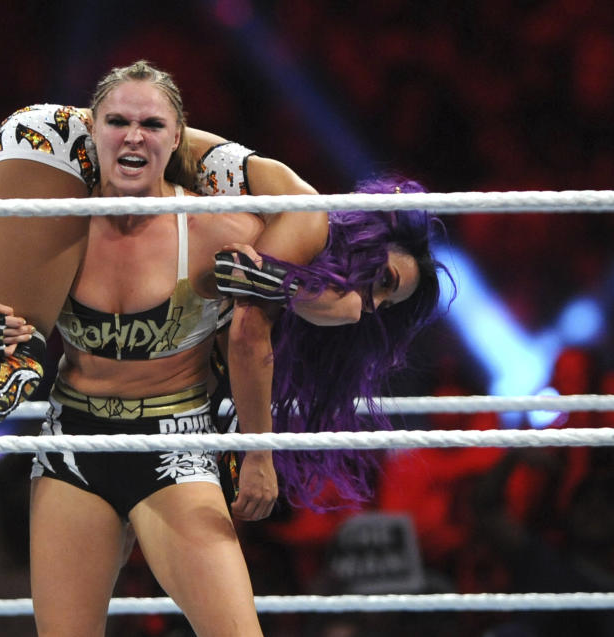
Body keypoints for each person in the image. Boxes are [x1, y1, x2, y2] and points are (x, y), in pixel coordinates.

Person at [28, 62, 450, 637]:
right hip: (73, 438)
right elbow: (250, 333)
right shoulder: (306, 223)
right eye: (381, 281)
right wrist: (258, 456)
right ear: (369, 240)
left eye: (381, 306)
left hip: (173, 441)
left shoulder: (259, 237)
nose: (364, 304)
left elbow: (273, 319)